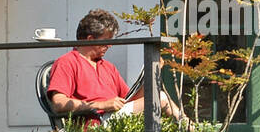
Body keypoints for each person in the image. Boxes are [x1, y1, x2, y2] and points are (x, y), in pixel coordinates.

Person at [47, 10, 177, 121]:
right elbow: (58, 103)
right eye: (106, 41)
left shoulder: (108, 67)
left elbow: (130, 102)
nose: (109, 45)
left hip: (115, 119)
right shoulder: (67, 62)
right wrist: (101, 105)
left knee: (157, 98)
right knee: (160, 98)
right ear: (90, 39)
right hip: (94, 124)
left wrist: (151, 74)